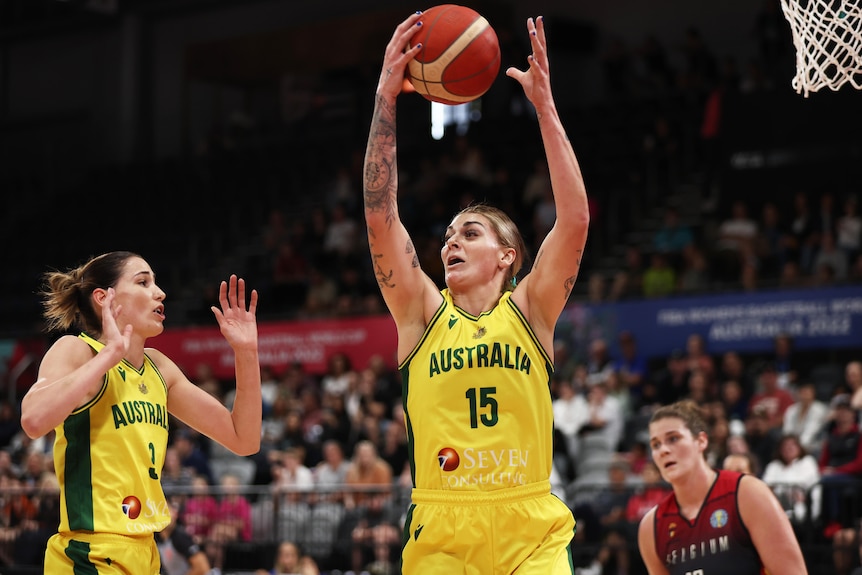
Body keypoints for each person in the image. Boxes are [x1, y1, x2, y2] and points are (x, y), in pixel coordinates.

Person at [362, 12, 586, 574]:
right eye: (447, 236)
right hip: (443, 526)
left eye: (471, 232)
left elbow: (575, 220)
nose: (450, 244)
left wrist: (545, 108)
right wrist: (385, 100)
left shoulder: (533, 309)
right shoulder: (420, 312)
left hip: (528, 525)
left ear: (508, 255)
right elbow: (379, 216)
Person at [19, 252, 263, 573]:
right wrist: (109, 356)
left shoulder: (159, 368)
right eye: (143, 282)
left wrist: (246, 352)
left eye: (155, 283)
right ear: (104, 298)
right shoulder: (76, 350)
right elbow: (34, 420)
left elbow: (243, 439)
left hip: (146, 550)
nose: (159, 292)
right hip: (90, 552)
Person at [637, 400, 807, 575]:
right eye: (655, 444)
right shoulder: (651, 527)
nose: (663, 450)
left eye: (673, 438)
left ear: (701, 441)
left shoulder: (747, 493)